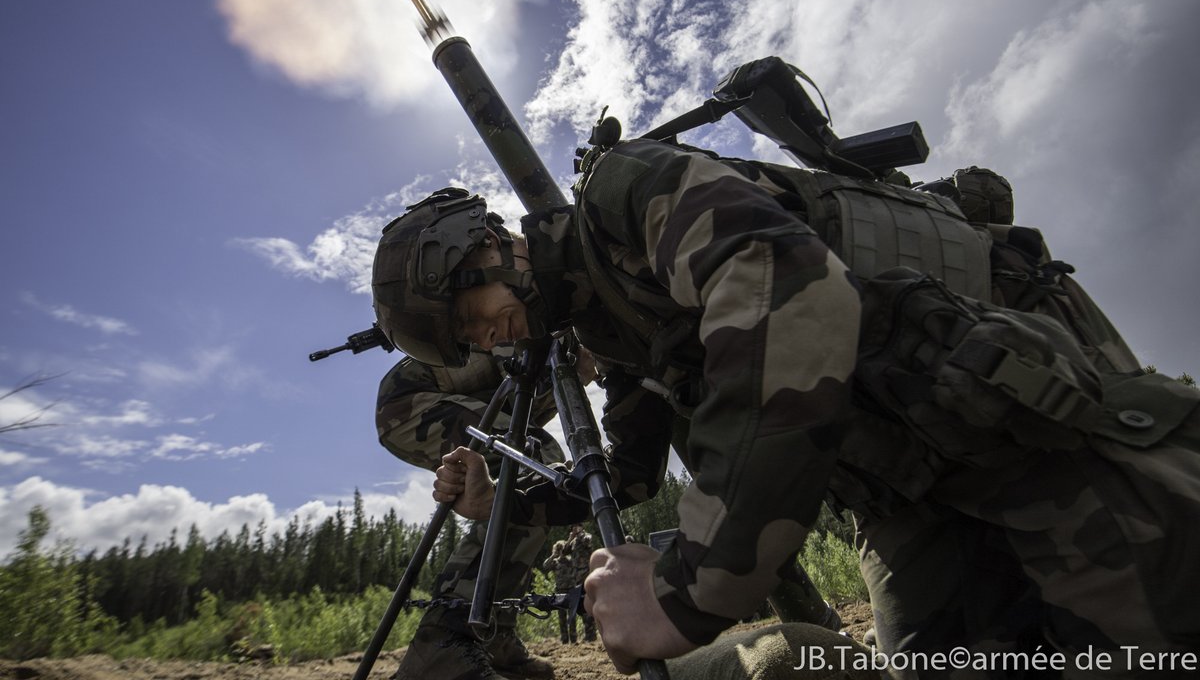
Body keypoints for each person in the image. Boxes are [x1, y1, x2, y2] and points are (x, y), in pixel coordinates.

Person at [373, 140, 1200, 678]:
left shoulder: (627, 195)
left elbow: (789, 297)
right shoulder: (616, 333)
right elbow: (627, 475)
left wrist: (687, 590)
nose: (486, 335)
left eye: (470, 311)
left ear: (485, 247)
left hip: (1031, 439)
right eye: (461, 340)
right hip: (909, 498)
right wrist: (504, 497)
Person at [375, 352, 560, 680]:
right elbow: (512, 369)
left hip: (446, 399)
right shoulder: (531, 323)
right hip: (410, 400)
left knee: (534, 465)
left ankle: (492, 636)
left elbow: (523, 408)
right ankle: (443, 641)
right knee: (536, 461)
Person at [542, 539, 582, 644]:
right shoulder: (555, 563)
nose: (561, 551)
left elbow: (578, 566)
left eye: (562, 549)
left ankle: (574, 639)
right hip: (560, 591)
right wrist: (553, 556)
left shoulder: (571, 561)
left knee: (572, 616)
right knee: (561, 617)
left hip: (571, 591)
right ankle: (564, 639)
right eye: (559, 549)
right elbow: (545, 566)